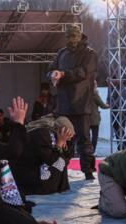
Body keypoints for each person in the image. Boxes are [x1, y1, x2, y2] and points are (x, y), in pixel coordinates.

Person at [47, 24, 98, 180]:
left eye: (73, 36)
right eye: (68, 36)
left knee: (83, 139)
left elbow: (83, 72)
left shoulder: (89, 53)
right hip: (63, 104)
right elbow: (51, 68)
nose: (71, 39)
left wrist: (63, 74)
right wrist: (52, 75)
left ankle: (88, 171)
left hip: (81, 103)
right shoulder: (61, 53)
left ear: (79, 35)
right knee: (62, 139)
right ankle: (60, 170)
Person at [9, 115, 74, 195]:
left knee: (61, 160)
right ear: (60, 132)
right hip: (25, 173)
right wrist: (59, 144)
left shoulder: (49, 133)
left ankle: (59, 188)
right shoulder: (43, 134)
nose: (67, 140)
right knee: (60, 161)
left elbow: (66, 156)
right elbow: (50, 160)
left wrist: (62, 145)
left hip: (31, 167)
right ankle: (52, 188)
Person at [106, 76, 126, 151]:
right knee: (116, 129)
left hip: (122, 111)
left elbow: (122, 99)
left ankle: (124, 147)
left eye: (109, 80)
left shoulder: (120, 87)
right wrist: (107, 103)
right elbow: (108, 97)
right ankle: (120, 147)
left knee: (121, 129)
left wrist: (112, 105)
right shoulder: (109, 87)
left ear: (114, 80)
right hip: (114, 111)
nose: (107, 81)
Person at [90, 80, 109, 155]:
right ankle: (93, 151)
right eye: (96, 84)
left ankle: (87, 150)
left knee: (86, 136)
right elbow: (102, 105)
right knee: (95, 136)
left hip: (86, 119)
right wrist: (108, 105)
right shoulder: (95, 95)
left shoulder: (84, 94)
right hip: (94, 119)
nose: (97, 85)